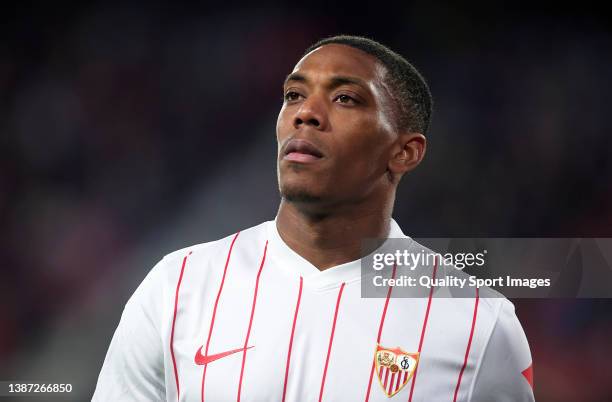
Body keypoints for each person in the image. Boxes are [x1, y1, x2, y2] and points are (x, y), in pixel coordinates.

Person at [92, 35, 534, 402]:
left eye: (345, 98)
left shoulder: (480, 322)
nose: (306, 112)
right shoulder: (178, 285)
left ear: (405, 151)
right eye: (294, 95)